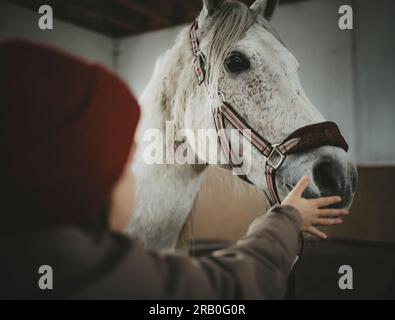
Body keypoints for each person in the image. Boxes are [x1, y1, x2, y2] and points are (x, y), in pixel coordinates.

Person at [0, 39, 348, 299]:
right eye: (124, 161)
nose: (136, 168)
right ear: (80, 182)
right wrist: (287, 219)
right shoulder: (103, 279)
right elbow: (229, 290)